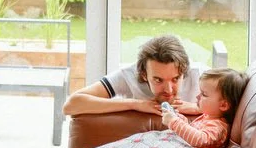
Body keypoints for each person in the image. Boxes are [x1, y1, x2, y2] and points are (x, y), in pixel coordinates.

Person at [63, 33, 202, 117]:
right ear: (143, 75)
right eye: (158, 80)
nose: (169, 90)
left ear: (184, 71)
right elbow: (71, 105)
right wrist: (135, 104)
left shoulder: (199, 75)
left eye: (175, 79)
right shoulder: (128, 76)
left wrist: (199, 108)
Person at [159, 67, 248, 148]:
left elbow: (198, 139)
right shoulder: (207, 117)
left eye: (204, 94)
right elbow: (193, 131)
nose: (197, 96)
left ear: (223, 105)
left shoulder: (219, 126)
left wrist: (174, 123)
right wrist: (181, 120)